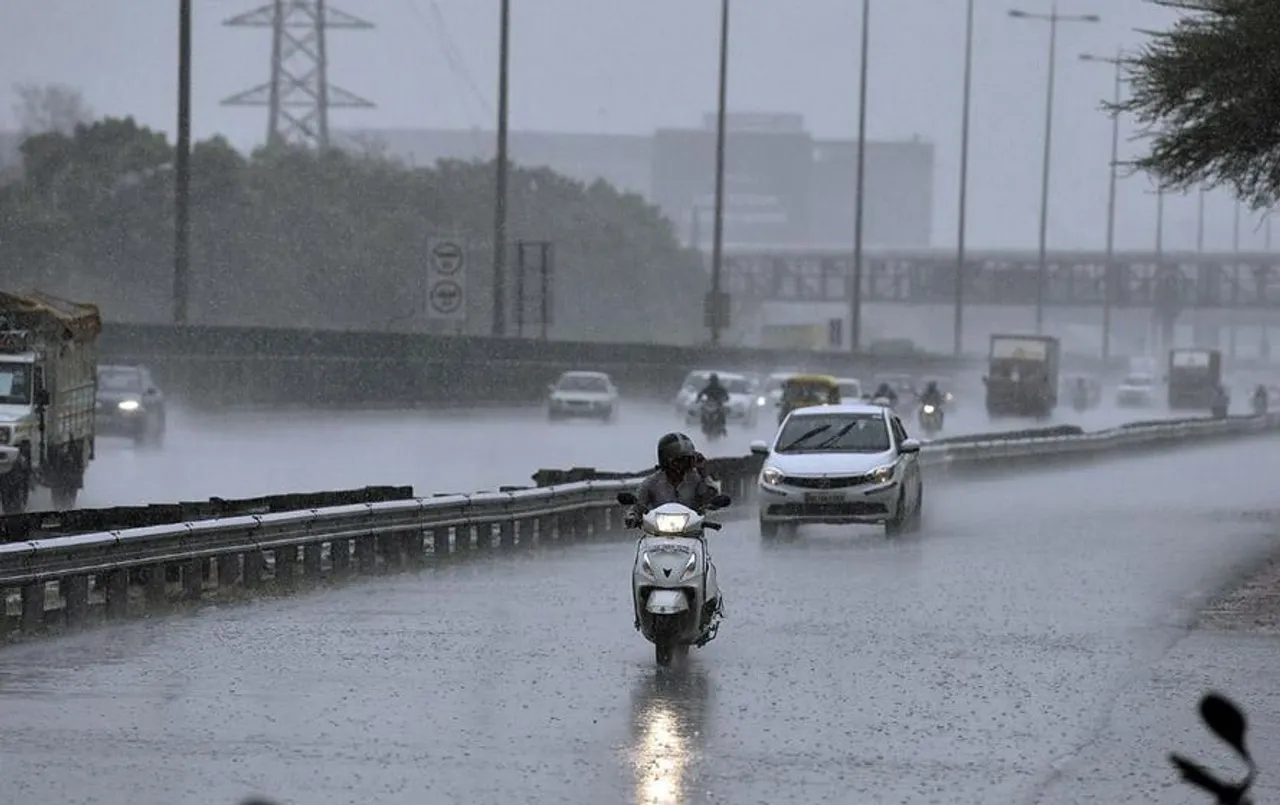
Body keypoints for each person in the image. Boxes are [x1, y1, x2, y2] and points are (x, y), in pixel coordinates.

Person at [625, 432, 723, 629]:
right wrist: (632, 516)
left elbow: (711, 496)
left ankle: (707, 608)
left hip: (690, 537)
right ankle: (641, 614)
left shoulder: (696, 480)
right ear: (668, 461)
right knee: (639, 567)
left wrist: (704, 473)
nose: (684, 466)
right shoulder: (651, 483)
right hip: (657, 539)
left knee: (706, 567)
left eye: (687, 461)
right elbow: (637, 505)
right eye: (680, 461)